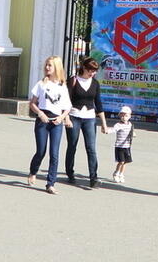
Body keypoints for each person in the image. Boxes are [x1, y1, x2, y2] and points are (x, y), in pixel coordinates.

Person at [27, 56, 71, 194]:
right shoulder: (41, 84)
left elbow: (67, 107)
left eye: (50, 65)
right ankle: (33, 171)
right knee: (41, 151)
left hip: (56, 122)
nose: (47, 67)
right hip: (43, 120)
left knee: (54, 153)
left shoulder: (62, 86)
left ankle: (51, 183)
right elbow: (32, 103)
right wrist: (40, 113)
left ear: (56, 67)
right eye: (46, 65)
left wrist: (62, 118)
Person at [64, 56, 108, 187]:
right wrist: (66, 118)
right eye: (90, 70)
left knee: (91, 148)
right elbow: (66, 101)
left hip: (90, 118)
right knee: (72, 145)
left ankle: (93, 177)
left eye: (94, 71)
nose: (92, 73)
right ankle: (70, 173)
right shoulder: (73, 80)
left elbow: (98, 104)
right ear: (84, 68)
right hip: (74, 116)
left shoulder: (95, 83)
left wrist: (104, 124)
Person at [111, 105, 135, 183]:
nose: (124, 117)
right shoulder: (118, 125)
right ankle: (116, 173)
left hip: (127, 146)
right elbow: (113, 130)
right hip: (119, 146)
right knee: (121, 161)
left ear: (129, 116)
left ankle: (121, 174)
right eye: (122, 115)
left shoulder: (130, 125)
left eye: (126, 116)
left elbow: (131, 132)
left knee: (125, 162)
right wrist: (107, 131)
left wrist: (133, 134)